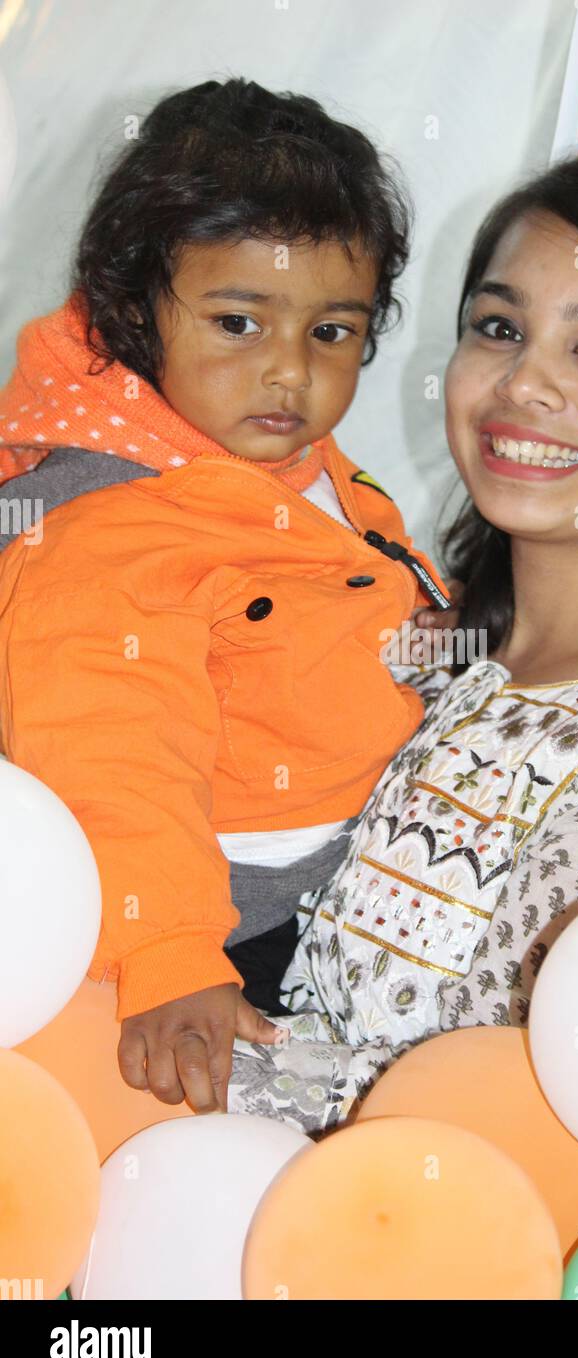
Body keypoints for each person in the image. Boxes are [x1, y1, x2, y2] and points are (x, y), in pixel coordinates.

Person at [227, 150, 578, 1134]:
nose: (522, 384)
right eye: (497, 328)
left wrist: (177, 1059)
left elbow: (491, 1113)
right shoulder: (397, 642)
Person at [0, 78, 454, 1116]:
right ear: (132, 307)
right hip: (236, 938)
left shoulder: (269, 450)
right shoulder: (102, 518)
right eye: (238, 321)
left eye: (332, 333)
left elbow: (357, 591)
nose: (288, 373)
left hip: (357, 871)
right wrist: (168, 955)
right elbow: (108, 751)